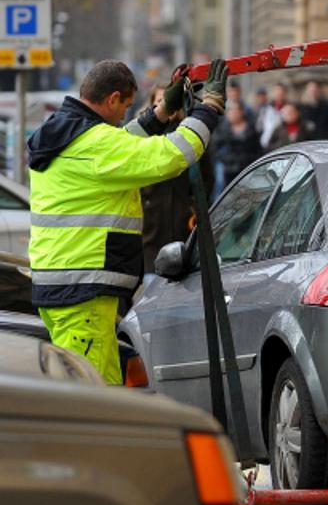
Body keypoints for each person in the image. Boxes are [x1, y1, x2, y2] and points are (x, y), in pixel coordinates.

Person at [27, 59, 228, 384]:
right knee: (89, 396)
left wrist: (161, 112)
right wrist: (209, 109)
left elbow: (122, 141)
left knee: (96, 388)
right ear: (112, 99)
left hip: (64, 283)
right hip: (84, 291)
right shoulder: (96, 145)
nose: (124, 115)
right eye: (125, 106)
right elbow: (173, 154)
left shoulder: (65, 133)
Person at [140, 86, 213, 279]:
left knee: (185, 278)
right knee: (153, 280)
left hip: (183, 217)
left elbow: (207, 176)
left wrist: (195, 205)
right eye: (158, 101)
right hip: (152, 221)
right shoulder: (145, 136)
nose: (163, 105)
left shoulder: (189, 132)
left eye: (167, 100)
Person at [213, 98, 262, 188]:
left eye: (235, 110)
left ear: (242, 112)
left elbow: (257, 150)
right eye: (230, 111)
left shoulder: (251, 130)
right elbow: (216, 150)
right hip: (228, 170)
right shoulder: (222, 130)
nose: (233, 113)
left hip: (247, 171)